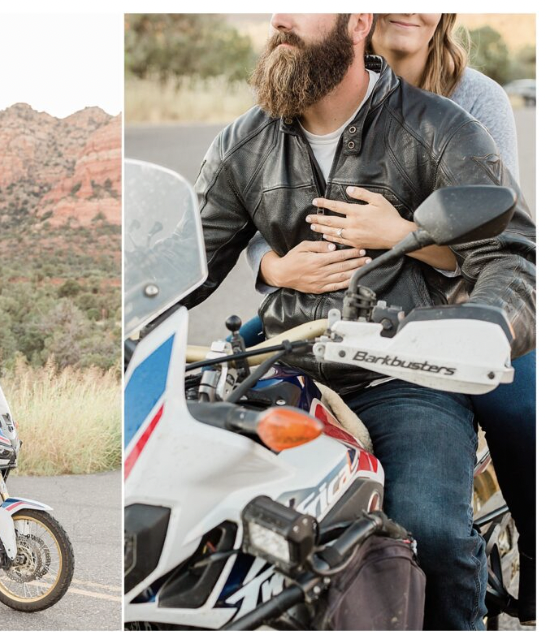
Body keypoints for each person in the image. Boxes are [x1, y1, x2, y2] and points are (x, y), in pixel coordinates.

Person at [184, 13, 535, 630]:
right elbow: (180, 264)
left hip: (404, 375)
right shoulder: (242, 144)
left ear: (358, 21)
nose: (279, 17)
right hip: (285, 368)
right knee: (202, 525)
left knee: (432, 533)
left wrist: (491, 324)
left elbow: (509, 255)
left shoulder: (442, 125)